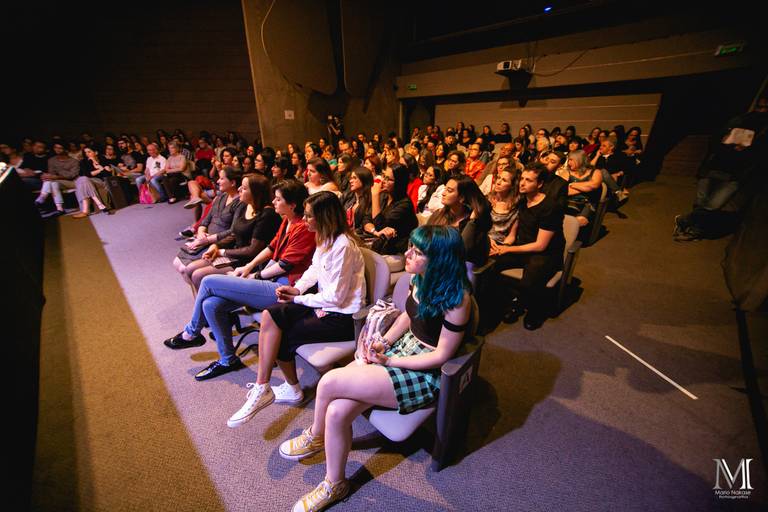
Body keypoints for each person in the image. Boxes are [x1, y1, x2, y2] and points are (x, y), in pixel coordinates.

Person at [279, 225, 471, 512]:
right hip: (403, 350)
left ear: (440, 260)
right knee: (336, 411)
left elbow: (442, 355)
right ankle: (336, 484)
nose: (407, 254)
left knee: (329, 383)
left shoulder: (458, 301)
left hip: (424, 370)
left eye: (417, 252)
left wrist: (391, 360)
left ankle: (314, 435)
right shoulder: (419, 277)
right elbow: (409, 315)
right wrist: (384, 340)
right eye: (411, 247)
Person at [225, 191, 366, 428]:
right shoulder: (325, 238)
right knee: (272, 313)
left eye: (309, 216)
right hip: (325, 304)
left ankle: (290, 390)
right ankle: (263, 387)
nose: (305, 219)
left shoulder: (344, 246)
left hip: (343, 316)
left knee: (283, 334)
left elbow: (337, 298)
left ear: (324, 218)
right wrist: (298, 290)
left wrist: (299, 300)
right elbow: (313, 271)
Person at [163, 180, 315, 380]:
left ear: (292, 204)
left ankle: (191, 333)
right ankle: (228, 359)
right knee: (211, 304)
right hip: (273, 280)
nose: (274, 202)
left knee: (208, 282)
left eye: (278, 199)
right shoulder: (288, 220)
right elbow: (271, 248)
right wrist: (249, 267)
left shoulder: (303, 227)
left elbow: (285, 265)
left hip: (285, 289)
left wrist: (254, 275)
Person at [674, 95, 768, 241]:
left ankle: (685, 220)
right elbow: (714, 143)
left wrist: (748, 149)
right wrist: (723, 141)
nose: (761, 111)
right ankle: (694, 230)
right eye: (759, 107)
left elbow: (760, 157)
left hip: (735, 174)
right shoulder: (739, 120)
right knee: (701, 202)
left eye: (765, 108)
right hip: (714, 167)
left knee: (713, 205)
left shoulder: (764, 131)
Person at [490, 163, 565, 330]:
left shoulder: (550, 207)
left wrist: (508, 249)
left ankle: (533, 310)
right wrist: (505, 244)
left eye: (528, 180)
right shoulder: (523, 200)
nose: (522, 183)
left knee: (529, 280)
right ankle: (501, 300)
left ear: (539, 184)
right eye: (522, 179)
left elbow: (540, 245)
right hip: (522, 247)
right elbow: (515, 229)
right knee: (491, 264)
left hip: (545, 253)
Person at [180, 173, 282, 291]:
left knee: (198, 275)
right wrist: (216, 245)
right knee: (189, 269)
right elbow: (234, 233)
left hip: (249, 263)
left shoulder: (267, 214)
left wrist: (222, 252)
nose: (239, 189)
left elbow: (252, 250)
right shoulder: (244, 205)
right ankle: (200, 305)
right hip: (234, 253)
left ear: (255, 193)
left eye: (244, 188)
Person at [172, 167, 242, 274]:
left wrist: (209, 240)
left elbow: (233, 232)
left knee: (187, 269)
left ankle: (201, 290)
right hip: (205, 240)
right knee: (177, 263)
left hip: (220, 243)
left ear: (232, 183)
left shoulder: (240, 203)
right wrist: (200, 234)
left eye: (222, 179)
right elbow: (205, 220)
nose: (218, 181)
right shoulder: (221, 197)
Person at [428, 174, 491, 269]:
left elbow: (461, 252)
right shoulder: (439, 214)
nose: (443, 193)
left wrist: (472, 222)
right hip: (433, 264)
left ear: (462, 198)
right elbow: (424, 239)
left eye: (449, 191)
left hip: (457, 270)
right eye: (445, 189)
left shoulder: (473, 223)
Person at [363, 164, 418, 269]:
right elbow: (366, 219)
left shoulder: (404, 204)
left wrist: (374, 195)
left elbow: (380, 225)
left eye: (388, 179)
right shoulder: (384, 196)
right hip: (380, 246)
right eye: (383, 176)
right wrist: (375, 232)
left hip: (397, 254)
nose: (383, 181)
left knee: (361, 263)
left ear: (399, 183)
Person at [35, 142, 79, 215]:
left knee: (52, 181)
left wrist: (56, 176)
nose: (57, 150)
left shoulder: (73, 161)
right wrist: (47, 176)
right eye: (56, 147)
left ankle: (42, 198)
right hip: (56, 181)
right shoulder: (51, 160)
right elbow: (51, 173)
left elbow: (72, 175)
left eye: (60, 148)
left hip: (71, 182)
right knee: (52, 182)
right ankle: (59, 209)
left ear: (66, 150)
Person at [564, 150, 602, 227]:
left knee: (579, 221)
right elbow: (564, 191)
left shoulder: (595, 172)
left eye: (571, 160)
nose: (568, 163)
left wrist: (572, 184)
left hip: (587, 203)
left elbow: (594, 185)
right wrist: (585, 188)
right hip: (568, 201)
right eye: (568, 160)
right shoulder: (566, 172)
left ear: (580, 160)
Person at [72, 147, 113, 218]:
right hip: (87, 181)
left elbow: (107, 174)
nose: (87, 154)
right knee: (83, 179)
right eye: (85, 152)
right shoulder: (83, 162)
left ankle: (85, 211)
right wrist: (100, 169)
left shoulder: (103, 159)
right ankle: (101, 205)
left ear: (95, 152)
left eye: (89, 152)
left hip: (100, 181)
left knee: (82, 180)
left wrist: (95, 162)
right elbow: (85, 174)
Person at [342, 166, 373, 238]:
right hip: (344, 234)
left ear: (364, 179)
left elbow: (366, 223)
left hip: (359, 237)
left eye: (354, 178)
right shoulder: (348, 195)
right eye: (351, 178)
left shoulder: (370, 199)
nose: (350, 181)